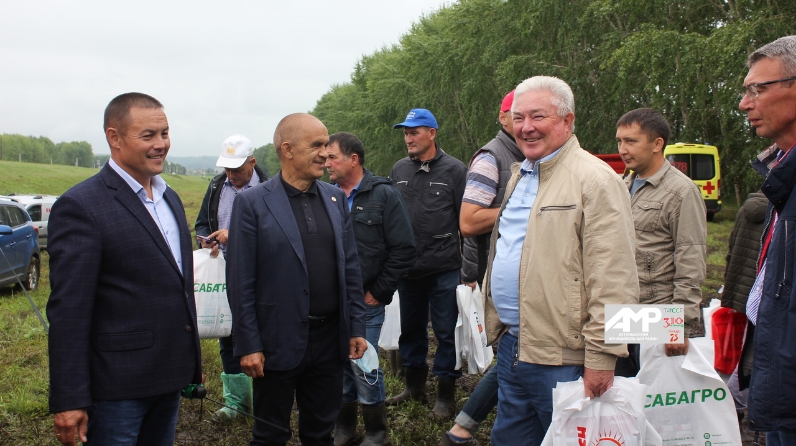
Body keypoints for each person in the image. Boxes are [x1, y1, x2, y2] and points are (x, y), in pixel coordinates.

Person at [482, 76, 638, 445]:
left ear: (567, 121)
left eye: (538, 116)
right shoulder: (521, 175)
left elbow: (614, 277)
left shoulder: (595, 180)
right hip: (515, 346)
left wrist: (602, 356)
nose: (526, 127)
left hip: (566, 360)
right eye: (518, 118)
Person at [47, 92, 202, 446]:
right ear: (114, 138)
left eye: (164, 133)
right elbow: (69, 311)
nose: (161, 144)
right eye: (148, 135)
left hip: (169, 377)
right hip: (116, 389)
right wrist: (70, 397)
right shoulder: (82, 206)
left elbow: (178, 287)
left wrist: (191, 361)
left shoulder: (170, 198)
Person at [226, 113, 368, 446]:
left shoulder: (335, 198)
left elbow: (349, 267)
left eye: (326, 145)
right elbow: (240, 281)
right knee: (270, 434)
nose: (325, 153)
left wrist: (356, 327)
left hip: (329, 341)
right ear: (287, 149)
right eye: (316, 145)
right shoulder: (252, 203)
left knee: (320, 433)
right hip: (276, 341)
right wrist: (248, 344)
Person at [440, 90, 524, 446]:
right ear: (503, 118)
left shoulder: (675, 191)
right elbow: (470, 222)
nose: (527, 125)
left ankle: (461, 430)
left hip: (649, 308)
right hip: (505, 279)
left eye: (630, 141)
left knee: (514, 356)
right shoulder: (493, 158)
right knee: (515, 354)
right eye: (518, 115)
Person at [325, 132, 416, 446]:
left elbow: (404, 248)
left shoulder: (384, 195)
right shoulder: (324, 195)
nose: (326, 164)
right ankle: (345, 427)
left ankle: (377, 432)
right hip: (332, 301)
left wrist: (379, 291)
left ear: (353, 159)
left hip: (366, 300)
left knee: (364, 365)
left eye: (332, 157)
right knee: (339, 365)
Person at [386, 108, 468, 418]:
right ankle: (414, 388)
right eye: (406, 133)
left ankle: (445, 396)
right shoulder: (399, 170)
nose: (408, 138)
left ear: (432, 133)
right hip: (408, 269)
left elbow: (466, 223)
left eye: (414, 132)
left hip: (444, 267)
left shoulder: (455, 170)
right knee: (410, 330)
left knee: (446, 332)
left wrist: (470, 269)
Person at [614, 108, 707, 376]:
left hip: (658, 314)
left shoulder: (681, 191)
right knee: (623, 391)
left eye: (631, 141)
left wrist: (679, 327)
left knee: (654, 393)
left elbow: (691, 259)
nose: (623, 149)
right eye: (619, 141)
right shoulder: (621, 185)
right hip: (622, 311)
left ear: (657, 144)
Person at [738, 35, 796, 444]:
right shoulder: (781, 173)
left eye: (757, 89)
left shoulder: (680, 190)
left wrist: (682, 323)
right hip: (778, 376)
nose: (745, 104)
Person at [194, 133, 268, 422]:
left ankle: (266, 399)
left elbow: (276, 232)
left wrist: (234, 234)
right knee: (228, 332)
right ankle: (236, 403)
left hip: (262, 274)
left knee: (262, 334)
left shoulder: (270, 189)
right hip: (225, 272)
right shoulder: (216, 186)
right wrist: (205, 239)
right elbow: (203, 222)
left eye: (236, 168)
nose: (231, 174)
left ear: (252, 162)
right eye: (227, 168)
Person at [720, 190, 768, 434]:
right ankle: (734, 405)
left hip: (741, 287)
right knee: (755, 354)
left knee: (741, 349)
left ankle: (729, 403)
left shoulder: (746, 208)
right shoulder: (779, 210)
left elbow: (732, 247)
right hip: (764, 294)